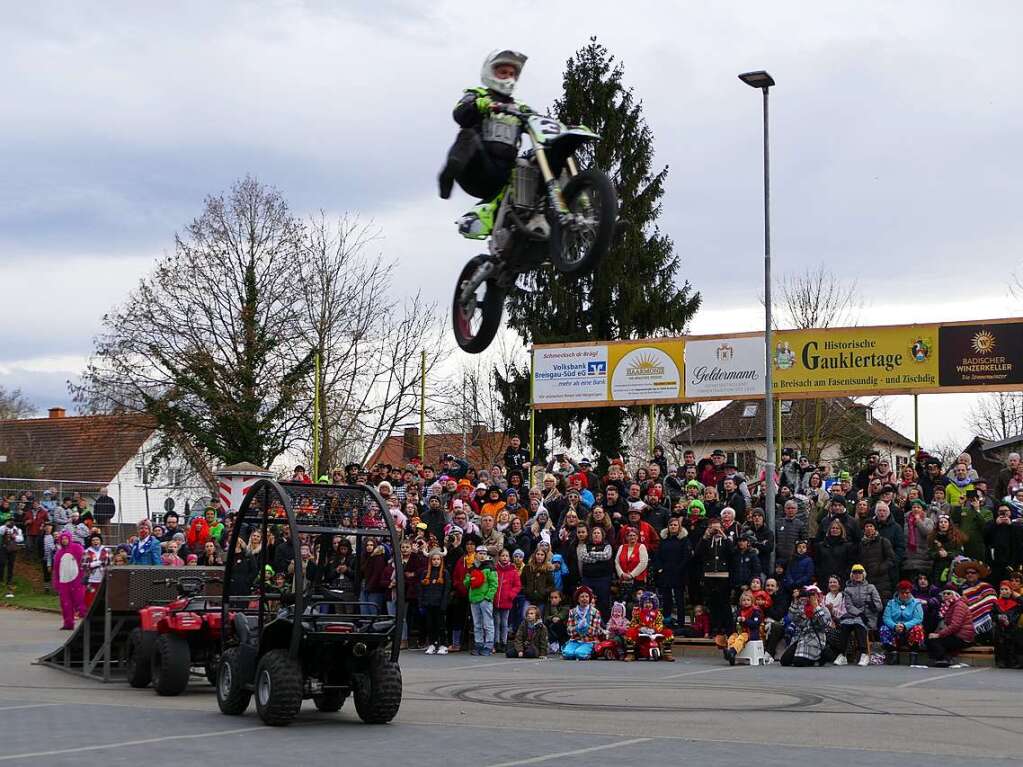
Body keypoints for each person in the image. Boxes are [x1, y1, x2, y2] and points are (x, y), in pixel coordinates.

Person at [438, 49, 530, 240]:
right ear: (490, 72)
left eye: (512, 74)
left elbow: (539, 122)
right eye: (503, 72)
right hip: (476, 167)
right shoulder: (477, 94)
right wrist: (478, 105)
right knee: (469, 135)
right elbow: (460, 113)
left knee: (531, 163)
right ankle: (449, 172)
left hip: (503, 177)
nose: (508, 77)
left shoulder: (520, 108)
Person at [836, 564, 882, 666]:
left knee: (859, 624)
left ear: (863, 574)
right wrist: (859, 613)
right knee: (844, 625)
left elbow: (879, 606)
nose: (857, 575)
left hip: (868, 616)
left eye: (860, 572)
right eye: (855, 573)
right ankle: (842, 655)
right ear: (852, 575)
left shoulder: (871, 587)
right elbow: (849, 606)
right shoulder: (847, 589)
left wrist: (871, 605)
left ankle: (864, 654)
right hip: (854, 614)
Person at [780, 585, 837, 667]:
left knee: (799, 662)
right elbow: (791, 618)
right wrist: (795, 601)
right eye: (809, 595)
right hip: (802, 638)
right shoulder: (803, 607)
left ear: (819, 595)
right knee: (784, 661)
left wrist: (816, 607)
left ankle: (817, 658)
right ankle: (808, 658)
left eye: (813, 594)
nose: (810, 597)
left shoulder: (824, 609)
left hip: (816, 638)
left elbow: (824, 624)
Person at [926, 587, 975, 667]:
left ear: (955, 595)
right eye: (944, 593)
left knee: (933, 640)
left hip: (962, 637)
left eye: (949, 593)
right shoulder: (949, 605)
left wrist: (939, 634)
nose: (945, 595)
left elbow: (955, 626)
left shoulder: (959, 606)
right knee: (931, 638)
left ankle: (943, 659)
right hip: (957, 635)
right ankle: (942, 658)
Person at [880, 580, 925, 665]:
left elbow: (918, 618)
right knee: (884, 629)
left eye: (907, 593)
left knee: (918, 628)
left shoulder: (916, 603)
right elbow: (886, 618)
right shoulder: (891, 603)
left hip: (909, 631)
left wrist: (904, 626)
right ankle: (893, 655)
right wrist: (894, 626)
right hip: (895, 630)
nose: (905, 595)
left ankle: (913, 656)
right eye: (902, 593)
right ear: (898, 592)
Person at [464, 545, 499, 656]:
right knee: (477, 623)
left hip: (485, 599)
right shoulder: (472, 567)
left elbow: (494, 584)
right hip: (474, 599)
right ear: (476, 554)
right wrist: (470, 579)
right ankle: (478, 644)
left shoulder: (490, 567)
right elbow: (466, 583)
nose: (482, 555)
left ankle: (488, 645)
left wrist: (488, 597)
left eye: (484, 553)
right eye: (480, 553)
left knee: (488, 623)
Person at [625, 591, 674, 662]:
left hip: (654, 634)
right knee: (630, 632)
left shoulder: (658, 613)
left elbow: (660, 624)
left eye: (650, 603)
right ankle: (630, 654)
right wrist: (640, 628)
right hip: (641, 634)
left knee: (668, 632)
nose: (648, 605)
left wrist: (655, 629)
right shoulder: (638, 612)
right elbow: (633, 624)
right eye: (646, 603)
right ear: (642, 604)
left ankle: (667, 654)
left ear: (653, 604)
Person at [53, 531, 86, 630]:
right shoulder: (59, 554)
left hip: (76, 580)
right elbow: (56, 569)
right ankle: (68, 623)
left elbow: (84, 562)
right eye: (62, 539)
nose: (64, 541)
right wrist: (57, 582)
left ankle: (87, 621)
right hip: (64, 581)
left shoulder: (76, 548)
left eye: (66, 539)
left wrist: (83, 576)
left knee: (80, 602)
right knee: (65, 604)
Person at [421, 548, 450, 655]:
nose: (436, 561)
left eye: (438, 559)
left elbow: (447, 589)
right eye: (434, 559)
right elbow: (421, 589)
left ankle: (443, 644)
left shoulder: (445, 573)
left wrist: (444, 603)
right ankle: (432, 644)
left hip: (439, 604)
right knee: (430, 625)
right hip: (428, 603)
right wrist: (422, 603)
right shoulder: (425, 573)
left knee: (441, 625)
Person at [493, 548, 522, 653]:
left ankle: (504, 642)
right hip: (496, 600)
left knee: (504, 622)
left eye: (506, 556)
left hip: (507, 600)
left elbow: (517, 586)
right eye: (502, 556)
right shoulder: (495, 569)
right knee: (496, 622)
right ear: (499, 557)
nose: (504, 558)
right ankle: (496, 641)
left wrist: (511, 594)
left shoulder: (513, 570)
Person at [723, 589, 762, 665]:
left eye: (748, 600)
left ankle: (732, 652)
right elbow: (734, 624)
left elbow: (755, 624)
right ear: (741, 602)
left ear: (752, 601)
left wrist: (745, 620)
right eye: (744, 600)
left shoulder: (755, 611)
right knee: (732, 637)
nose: (746, 602)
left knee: (741, 638)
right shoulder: (739, 611)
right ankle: (729, 653)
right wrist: (737, 621)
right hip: (739, 631)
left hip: (750, 633)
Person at [563, 585, 603, 660]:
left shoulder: (595, 612)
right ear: (578, 599)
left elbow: (597, 631)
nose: (584, 599)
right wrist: (578, 627)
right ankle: (576, 650)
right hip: (575, 640)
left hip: (589, 641)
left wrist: (586, 627)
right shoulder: (572, 612)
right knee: (567, 654)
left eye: (586, 596)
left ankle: (590, 652)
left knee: (580, 654)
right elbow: (569, 630)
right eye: (582, 596)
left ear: (590, 598)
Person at [81, 532, 109, 609]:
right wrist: (94, 564)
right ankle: (88, 612)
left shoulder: (106, 550)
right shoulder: (86, 552)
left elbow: (111, 563)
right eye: (93, 540)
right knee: (90, 595)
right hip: (91, 578)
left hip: (103, 578)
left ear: (100, 541)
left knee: (103, 596)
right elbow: (83, 565)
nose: (95, 542)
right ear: (91, 542)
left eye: (97, 540)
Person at [1, 517, 24, 594]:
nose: (11, 522)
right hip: (4, 548)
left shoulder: (17, 530)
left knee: (11, 565)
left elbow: (21, 539)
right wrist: (5, 526)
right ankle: (1, 580)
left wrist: (15, 537)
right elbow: (1, 532)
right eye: (9, 521)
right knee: (2, 563)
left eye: (12, 521)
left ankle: (9, 581)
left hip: (13, 549)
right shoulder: (3, 527)